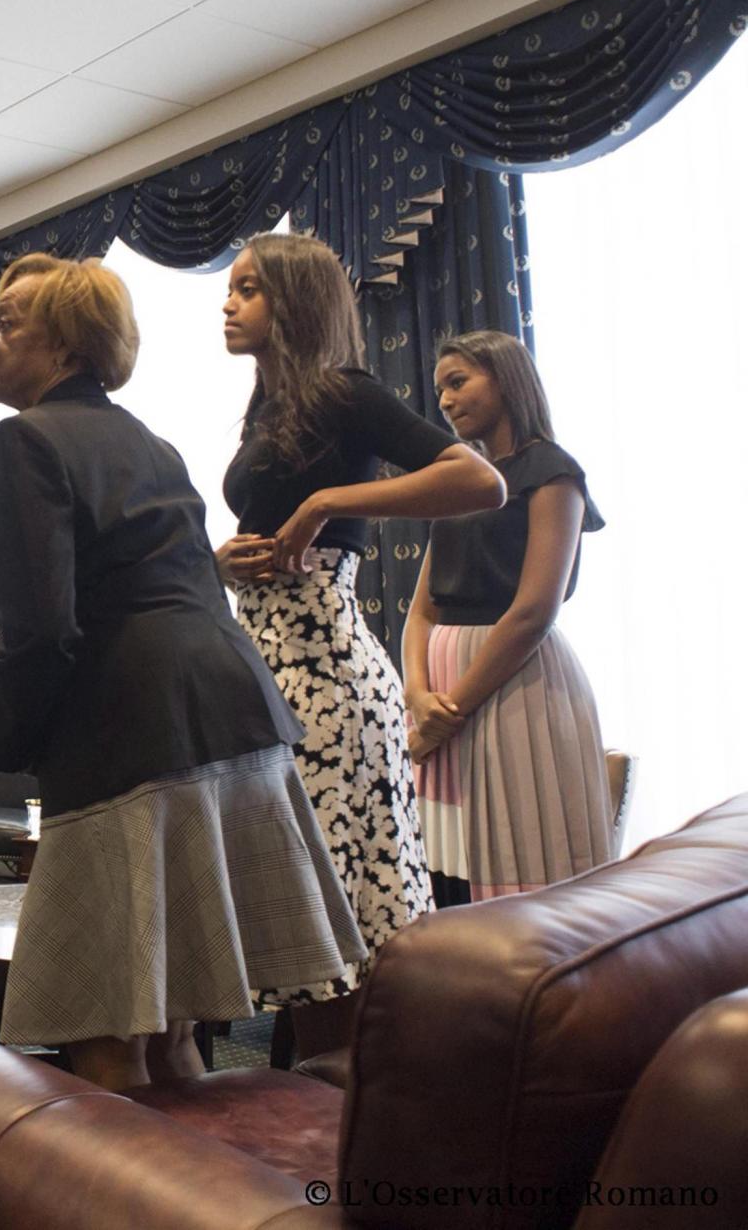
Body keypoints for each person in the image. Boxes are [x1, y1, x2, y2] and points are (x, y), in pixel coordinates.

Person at [0, 255, 362, 1089]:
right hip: (237, 717)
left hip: (132, 733)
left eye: (9, 323)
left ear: (66, 347)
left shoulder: (23, 439)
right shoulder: (152, 441)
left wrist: (20, 749)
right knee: (173, 1013)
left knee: (105, 1026)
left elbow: (39, 626)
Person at [216, 232, 505, 1055]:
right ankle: (320, 1125)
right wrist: (226, 558)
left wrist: (324, 504)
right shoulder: (270, 407)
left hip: (328, 676)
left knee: (336, 911)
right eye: (230, 288)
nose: (228, 303)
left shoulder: (344, 390)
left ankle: (356, 1132)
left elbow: (479, 480)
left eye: (248, 289)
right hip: (270, 666)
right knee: (300, 917)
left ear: (296, 302)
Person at [405, 330, 611, 904]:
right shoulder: (465, 475)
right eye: (440, 387)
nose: (444, 400)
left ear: (507, 380)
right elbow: (421, 610)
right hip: (442, 694)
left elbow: (533, 611)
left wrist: (449, 710)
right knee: (450, 861)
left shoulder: (551, 472)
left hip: (511, 682)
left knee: (520, 849)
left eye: (458, 382)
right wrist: (418, 695)